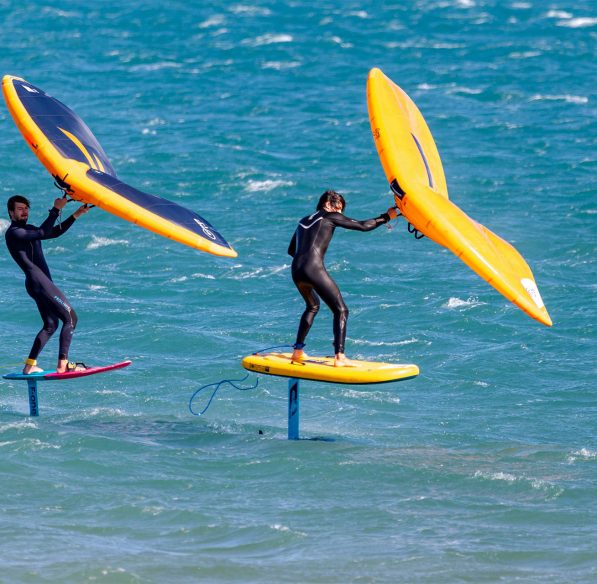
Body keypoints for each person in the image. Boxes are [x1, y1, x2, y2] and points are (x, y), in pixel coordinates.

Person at [288, 190, 398, 367]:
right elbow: (363, 226)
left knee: (312, 306)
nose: (339, 214)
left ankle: (298, 351)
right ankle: (339, 357)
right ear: (327, 205)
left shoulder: (303, 220)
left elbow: (291, 250)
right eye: (338, 209)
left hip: (296, 270)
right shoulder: (329, 216)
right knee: (341, 310)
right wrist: (386, 217)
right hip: (313, 269)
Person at [5, 194, 91, 374]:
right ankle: (63, 365)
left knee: (51, 325)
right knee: (71, 318)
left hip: (37, 284)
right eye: (20, 209)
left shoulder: (28, 230)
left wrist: (75, 215)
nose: (24, 211)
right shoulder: (14, 233)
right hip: (39, 282)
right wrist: (56, 209)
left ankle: (29, 366)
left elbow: (53, 232)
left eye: (26, 208)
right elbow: (43, 232)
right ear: (11, 213)